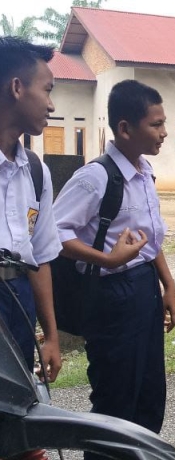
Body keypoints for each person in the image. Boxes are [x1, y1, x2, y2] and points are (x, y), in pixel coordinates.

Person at [53, 80, 175, 456]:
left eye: (164, 122)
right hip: (111, 297)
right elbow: (54, 236)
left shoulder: (144, 174)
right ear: (125, 128)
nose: (164, 132)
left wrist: (167, 285)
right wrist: (108, 259)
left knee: (149, 395)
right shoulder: (95, 178)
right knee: (115, 404)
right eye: (155, 125)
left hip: (144, 290)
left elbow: (150, 240)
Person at [0, 36, 62, 382]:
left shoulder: (36, 171)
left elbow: (39, 257)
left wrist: (51, 337)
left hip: (18, 300)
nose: (51, 105)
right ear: (17, 87)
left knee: (19, 416)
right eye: (48, 90)